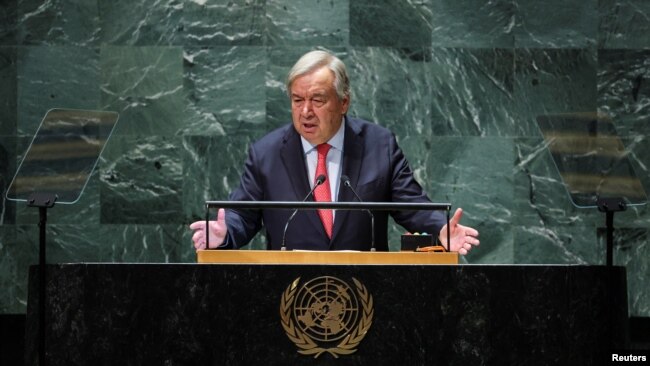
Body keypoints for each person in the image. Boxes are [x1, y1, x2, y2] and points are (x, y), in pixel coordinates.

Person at [190, 50, 479, 254]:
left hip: (366, 292)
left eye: (317, 99)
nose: (305, 111)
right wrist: (224, 233)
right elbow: (243, 214)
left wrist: (441, 229)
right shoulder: (265, 154)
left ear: (343, 102)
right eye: (297, 99)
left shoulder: (379, 146)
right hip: (289, 293)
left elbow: (412, 206)